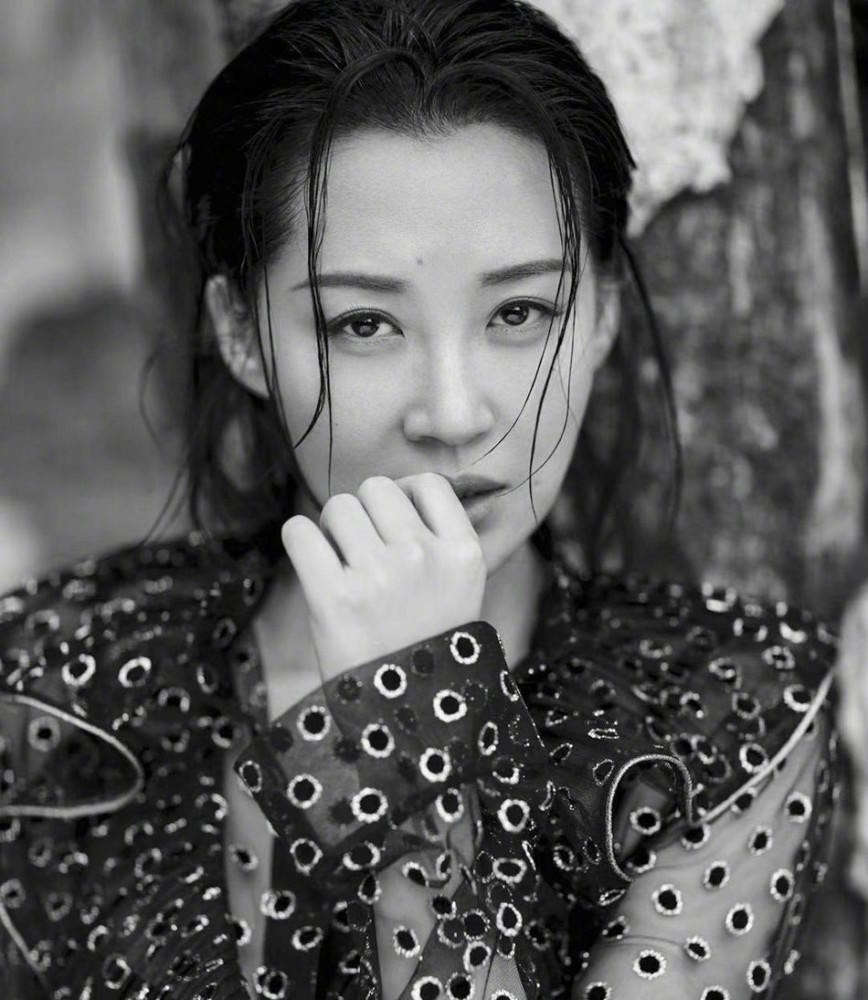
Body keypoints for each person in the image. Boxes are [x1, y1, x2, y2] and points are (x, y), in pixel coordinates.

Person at [0, 1, 839, 998]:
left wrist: (414, 715)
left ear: (602, 318)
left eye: (519, 311)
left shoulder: (730, 717)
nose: (451, 413)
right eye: (363, 324)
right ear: (241, 334)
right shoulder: (62, 683)